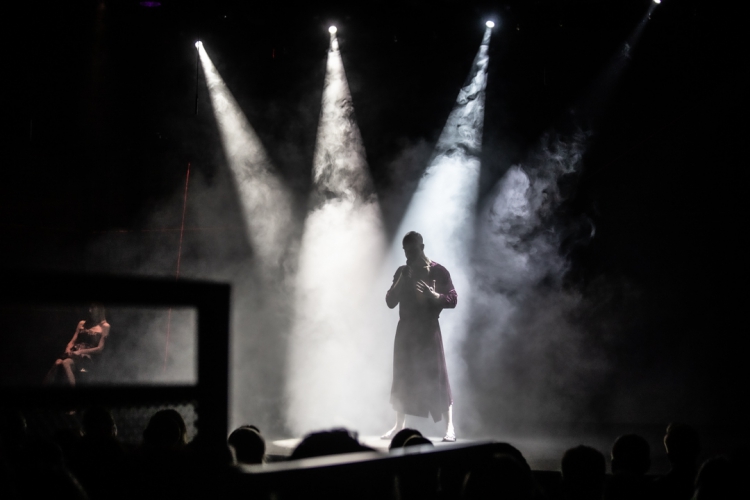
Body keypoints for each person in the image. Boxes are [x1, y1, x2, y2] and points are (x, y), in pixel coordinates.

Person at [382, 231, 457, 442]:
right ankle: (399, 426)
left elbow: (453, 299)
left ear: (422, 248)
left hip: (429, 330)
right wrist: (401, 279)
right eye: (406, 251)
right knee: (402, 376)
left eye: (412, 250)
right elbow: (390, 301)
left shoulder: (438, 271)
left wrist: (434, 296)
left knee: (438, 376)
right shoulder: (402, 272)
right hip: (406, 330)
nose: (409, 255)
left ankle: (450, 427)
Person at [44, 304, 110, 386]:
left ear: (100, 310)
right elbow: (72, 341)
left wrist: (80, 352)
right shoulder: (82, 323)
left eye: (93, 308)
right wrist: (68, 349)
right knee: (57, 363)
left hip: (88, 356)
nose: (90, 310)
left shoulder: (105, 326)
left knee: (66, 363)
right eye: (90, 308)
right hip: (74, 352)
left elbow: (100, 348)